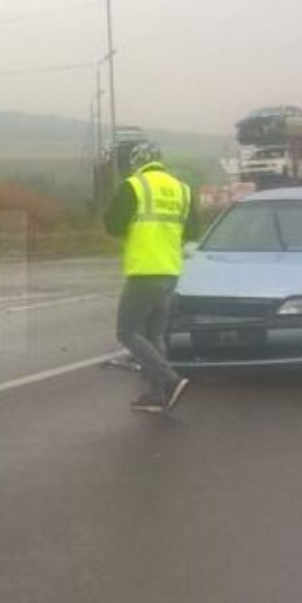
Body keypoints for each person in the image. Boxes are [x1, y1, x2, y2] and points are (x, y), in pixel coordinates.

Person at [103, 147, 192, 414]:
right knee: (154, 334)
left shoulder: (134, 185)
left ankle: (170, 379)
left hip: (144, 271)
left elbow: (113, 226)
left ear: (136, 163)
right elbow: (192, 230)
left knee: (127, 331)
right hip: (171, 270)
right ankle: (156, 395)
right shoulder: (182, 189)